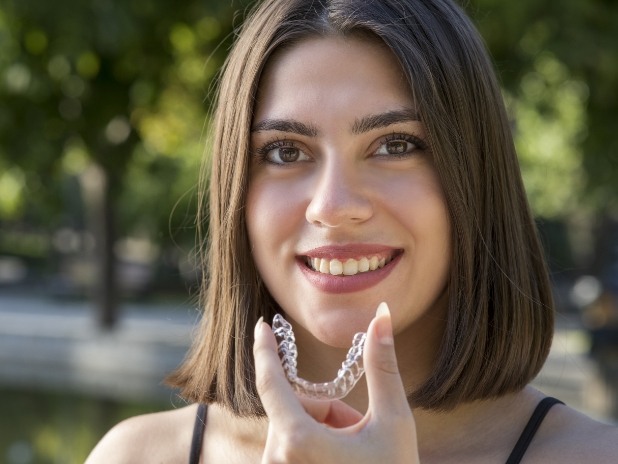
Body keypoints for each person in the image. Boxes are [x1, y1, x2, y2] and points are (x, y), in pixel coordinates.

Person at [86, 0, 618, 462]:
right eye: (285, 152)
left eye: (395, 145)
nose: (333, 206)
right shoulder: (134, 456)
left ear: (476, 177)